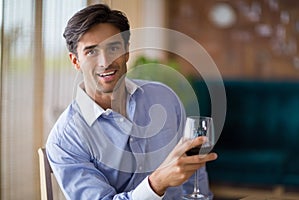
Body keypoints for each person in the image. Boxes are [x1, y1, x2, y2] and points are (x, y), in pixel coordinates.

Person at [46, 3, 217, 200]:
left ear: (126, 51)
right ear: (75, 61)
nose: (105, 61)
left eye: (113, 47)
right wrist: (157, 183)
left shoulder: (165, 97)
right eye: (91, 51)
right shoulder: (65, 140)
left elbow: (194, 176)